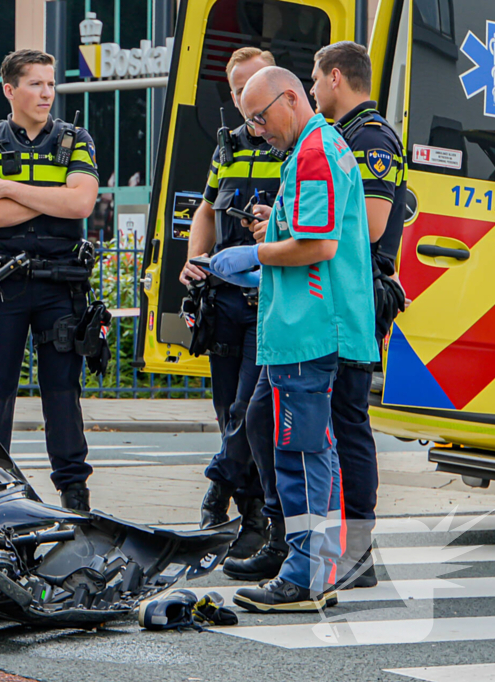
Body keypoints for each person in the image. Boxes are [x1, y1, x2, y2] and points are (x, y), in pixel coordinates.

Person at [209, 66, 378, 612]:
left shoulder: (313, 152)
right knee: (302, 448)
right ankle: (309, 564)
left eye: (259, 117)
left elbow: (318, 246)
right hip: (305, 327)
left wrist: (253, 254)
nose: (257, 130)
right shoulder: (314, 148)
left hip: (306, 331)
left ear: (290, 98)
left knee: (302, 454)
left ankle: (305, 574)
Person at [0, 49, 100, 512]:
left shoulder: (76, 139)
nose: (47, 93)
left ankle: (74, 494)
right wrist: (54, 194)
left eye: (50, 83)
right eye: (36, 84)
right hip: (2, 285)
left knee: (62, 392)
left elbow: (82, 205)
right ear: (10, 90)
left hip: (62, 285)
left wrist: (8, 186)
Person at [308, 41, 408, 589]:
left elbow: (370, 226)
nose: (312, 88)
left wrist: (310, 229)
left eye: (316, 78)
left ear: (338, 77)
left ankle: (361, 555)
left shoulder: (369, 139)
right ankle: (320, 545)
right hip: (339, 295)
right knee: (333, 421)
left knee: (348, 422)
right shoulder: (345, 136)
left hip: (356, 296)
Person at [178, 47, 281, 559]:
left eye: (254, 84)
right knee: (227, 410)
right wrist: (195, 257)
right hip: (224, 298)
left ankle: (228, 493)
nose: (245, 97)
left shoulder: (292, 142)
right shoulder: (229, 144)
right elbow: (205, 206)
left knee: (249, 408)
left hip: (269, 298)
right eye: (238, 89)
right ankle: (246, 510)